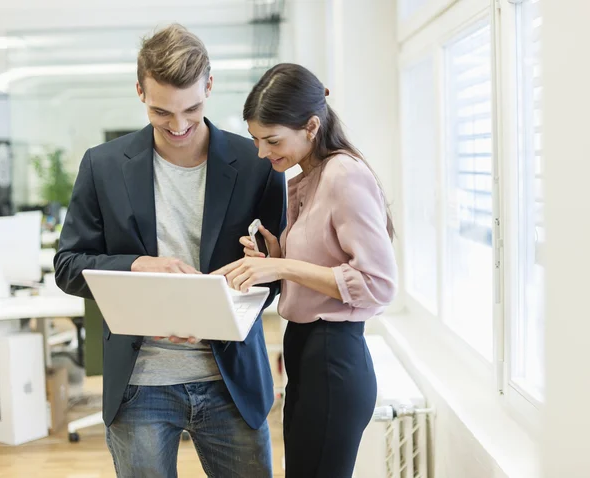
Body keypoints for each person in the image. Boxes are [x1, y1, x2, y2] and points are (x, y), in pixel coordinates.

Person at [54, 24, 286, 478]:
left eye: (193, 109)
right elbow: (68, 266)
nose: (178, 126)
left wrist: (257, 275)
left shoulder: (258, 164)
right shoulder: (101, 166)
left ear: (210, 86)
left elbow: (276, 275)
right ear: (139, 91)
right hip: (140, 384)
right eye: (161, 112)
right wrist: (140, 266)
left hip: (231, 380)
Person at [213, 63, 398, 478]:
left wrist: (285, 265)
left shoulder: (343, 175)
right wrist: (275, 259)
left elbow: (379, 285)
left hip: (333, 357)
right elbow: (323, 265)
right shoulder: (309, 178)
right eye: (256, 140)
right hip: (307, 356)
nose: (262, 152)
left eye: (272, 140)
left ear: (311, 125)